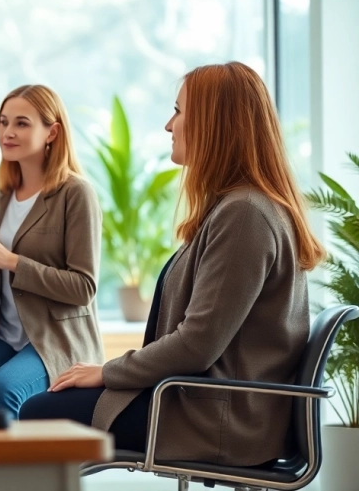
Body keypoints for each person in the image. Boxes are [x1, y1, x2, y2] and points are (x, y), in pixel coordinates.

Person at [19, 62, 325, 467]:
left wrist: (107, 372)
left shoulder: (245, 214)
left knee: (40, 413)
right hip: (208, 405)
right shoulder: (239, 207)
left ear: (213, 124)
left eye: (179, 112)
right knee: (46, 406)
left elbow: (196, 343)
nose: (169, 125)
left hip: (214, 419)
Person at [0, 84, 104, 417]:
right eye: (3, 122)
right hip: (4, 335)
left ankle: (13, 472)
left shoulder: (76, 194)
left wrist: (13, 262)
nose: (7, 133)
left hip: (54, 338)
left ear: (52, 131)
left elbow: (84, 288)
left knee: (2, 390)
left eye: (21, 123)